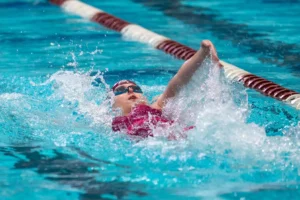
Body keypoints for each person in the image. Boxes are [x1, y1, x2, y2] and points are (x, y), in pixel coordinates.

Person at [111, 40, 221, 137]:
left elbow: (179, 80)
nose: (131, 91)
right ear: (111, 104)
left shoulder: (157, 107)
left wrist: (202, 52)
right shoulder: (110, 123)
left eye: (136, 89)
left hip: (175, 137)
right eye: (121, 90)